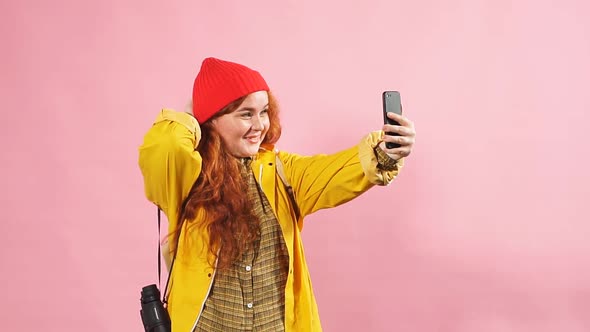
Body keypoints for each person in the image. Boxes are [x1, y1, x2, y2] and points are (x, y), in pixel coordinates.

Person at [138, 57, 416, 332]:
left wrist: (385, 152)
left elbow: (339, 171)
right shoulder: (187, 178)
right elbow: (167, 145)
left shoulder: (283, 172)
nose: (260, 125)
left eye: (264, 111)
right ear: (212, 120)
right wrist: (192, 113)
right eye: (246, 114)